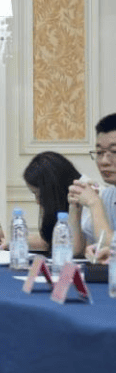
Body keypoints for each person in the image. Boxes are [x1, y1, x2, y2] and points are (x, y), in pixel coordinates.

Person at [69, 112, 116, 263]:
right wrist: (76, 207)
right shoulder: (108, 195)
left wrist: (94, 203)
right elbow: (75, 250)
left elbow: (109, 244)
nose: (104, 161)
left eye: (114, 152)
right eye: (100, 152)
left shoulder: (100, 200)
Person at [22, 151, 81, 254]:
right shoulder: (65, 201)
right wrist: (15, 242)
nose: (37, 201)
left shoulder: (82, 200)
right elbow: (49, 242)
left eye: (39, 195)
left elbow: (72, 250)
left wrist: (74, 210)